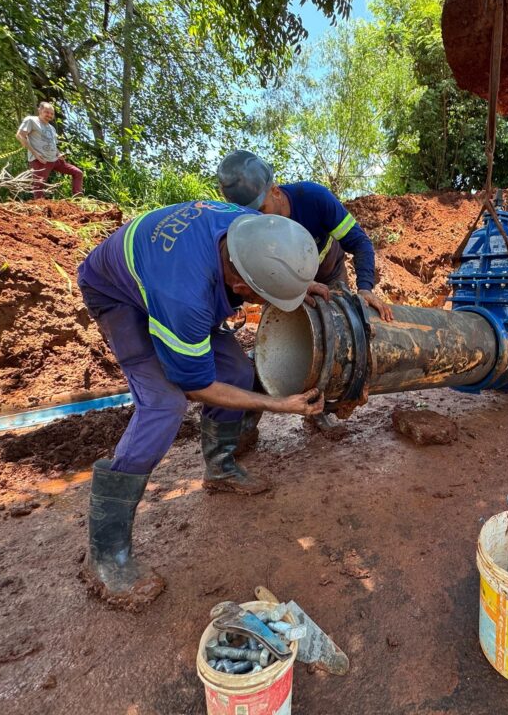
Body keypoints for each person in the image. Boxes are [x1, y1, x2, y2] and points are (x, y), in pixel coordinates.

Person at [76, 200, 325, 609]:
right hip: (118, 295)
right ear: (243, 287)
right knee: (163, 406)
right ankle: (106, 555)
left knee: (239, 372)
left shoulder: (249, 229)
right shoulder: (185, 298)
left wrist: (296, 284)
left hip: (166, 275)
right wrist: (280, 405)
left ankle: (220, 468)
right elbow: (198, 387)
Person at [216, 150, 394, 323]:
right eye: (252, 214)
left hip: (330, 273)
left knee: (340, 325)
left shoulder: (314, 199)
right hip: (281, 280)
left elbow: (360, 243)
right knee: (278, 326)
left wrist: (365, 288)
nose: (260, 220)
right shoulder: (248, 226)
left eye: (262, 210)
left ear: (275, 192)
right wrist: (295, 287)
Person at [16, 101, 84, 198]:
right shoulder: (31, 120)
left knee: (78, 173)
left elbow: (53, 144)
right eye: (46, 112)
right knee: (39, 186)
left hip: (54, 159)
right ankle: (39, 209)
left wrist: (59, 154)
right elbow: (19, 135)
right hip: (40, 160)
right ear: (39, 110)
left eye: (51, 113)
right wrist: (35, 154)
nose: (49, 115)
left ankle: (77, 199)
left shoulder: (52, 128)